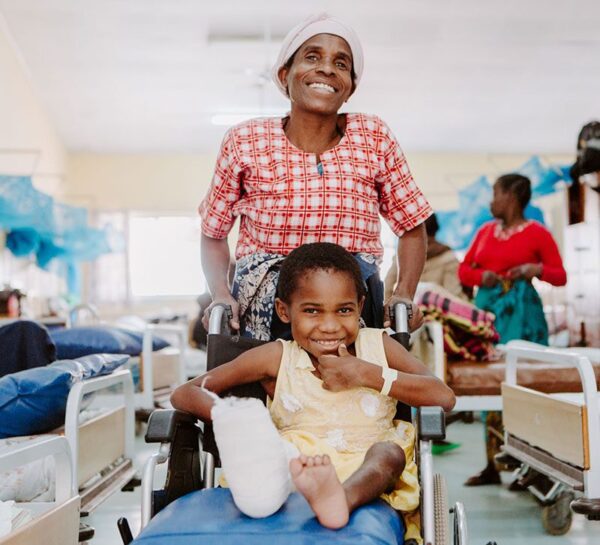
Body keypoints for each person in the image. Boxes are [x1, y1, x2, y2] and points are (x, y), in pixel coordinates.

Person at [171, 242, 455, 543]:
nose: (329, 326)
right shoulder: (277, 357)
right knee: (272, 460)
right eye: (312, 311)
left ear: (360, 306)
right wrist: (237, 420)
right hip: (295, 467)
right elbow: (185, 393)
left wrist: (366, 373)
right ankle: (296, 494)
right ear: (284, 310)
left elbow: (443, 396)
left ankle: (339, 500)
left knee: (390, 452)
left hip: (368, 472)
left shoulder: (378, 346)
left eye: (344, 310)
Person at [199, 13, 432, 341]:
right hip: (268, 303)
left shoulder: (373, 135)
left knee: (354, 389)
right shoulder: (244, 140)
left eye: (341, 63)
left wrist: (404, 292)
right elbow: (213, 232)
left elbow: (412, 226)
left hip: (351, 306)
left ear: (350, 86)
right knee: (267, 388)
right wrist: (221, 294)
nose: (327, 68)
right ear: (285, 74)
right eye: (312, 57)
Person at [458, 173, 567, 486]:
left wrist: (535, 270)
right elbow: (465, 270)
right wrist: (483, 278)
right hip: (489, 318)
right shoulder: (484, 232)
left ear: (513, 196)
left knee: (527, 388)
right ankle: (493, 464)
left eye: (496, 194)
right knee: (490, 385)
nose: (491, 201)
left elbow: (560, 276)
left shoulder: (537, 234)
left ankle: (534, 469)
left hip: (524, 319)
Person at [385, 213, 467, 301]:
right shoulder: (449, 258)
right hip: (435, 313)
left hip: (405, 311)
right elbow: (455, 295)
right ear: (435, 230)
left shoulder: (402, 256)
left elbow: (388, 288)